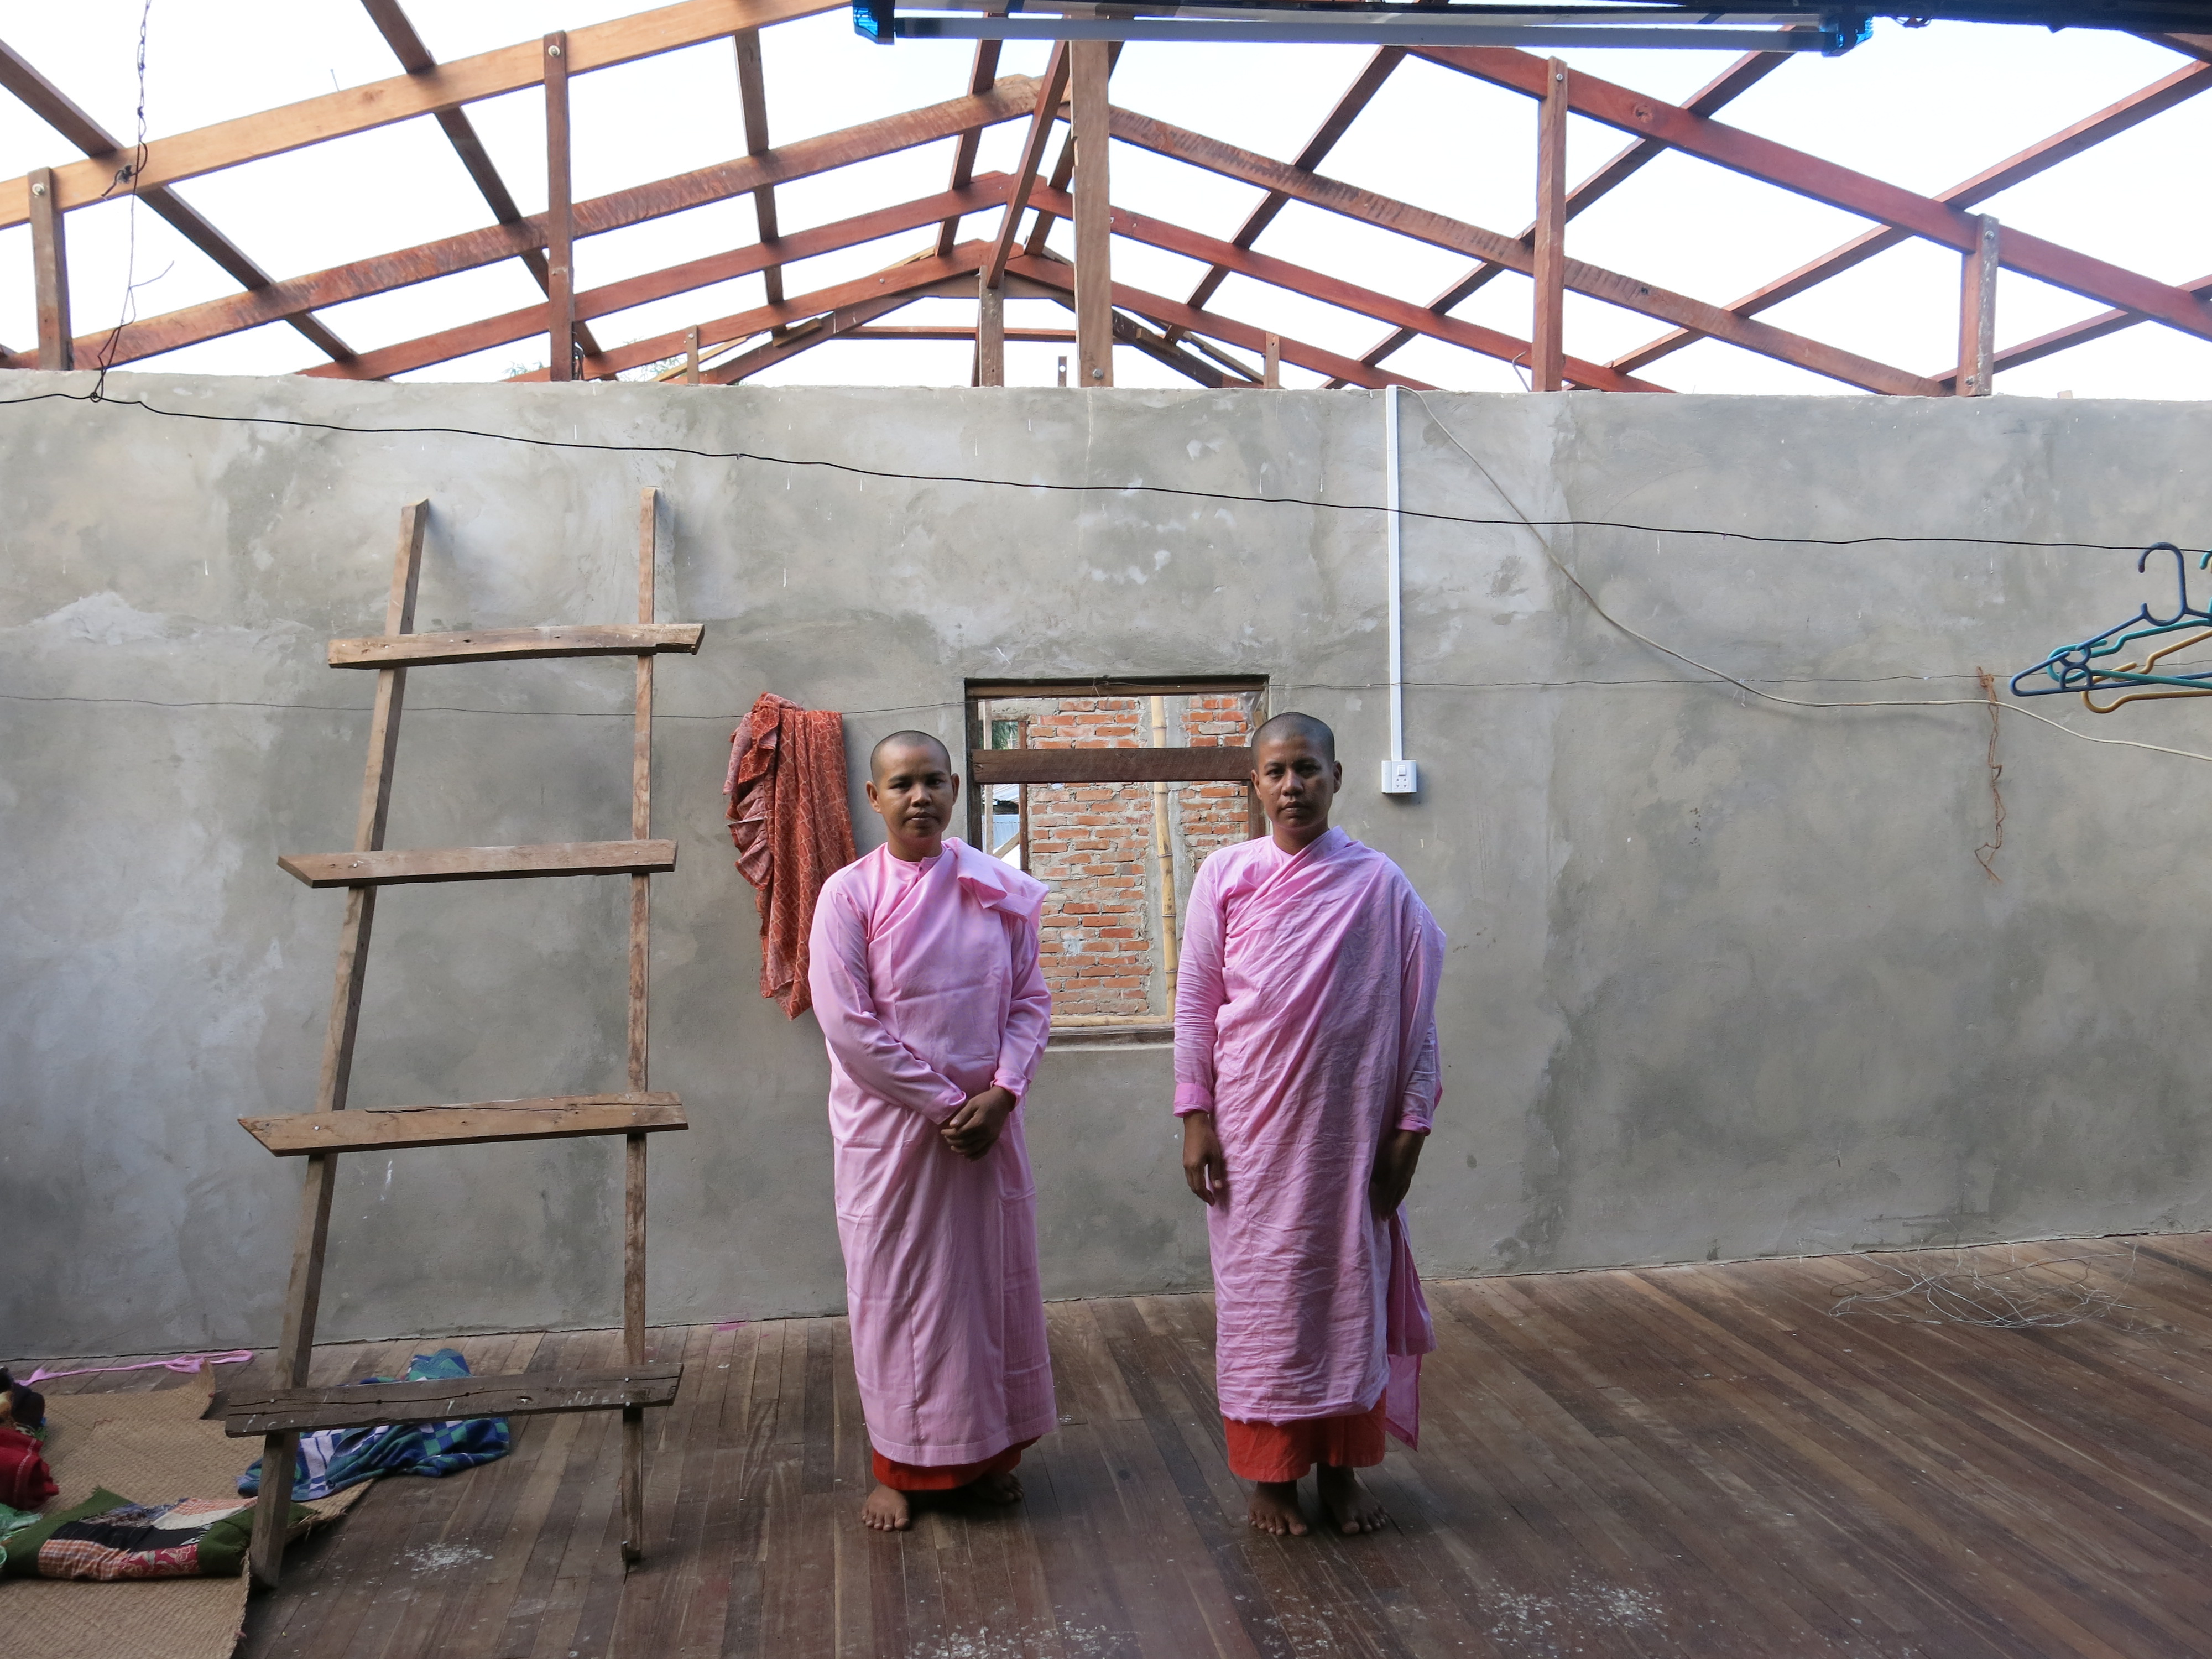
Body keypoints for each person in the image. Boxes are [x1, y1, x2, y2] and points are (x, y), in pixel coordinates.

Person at [1174, 712, 1445, 1537]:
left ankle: (1340, 1472)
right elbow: (1197, 1001)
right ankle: (1271, 1477)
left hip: (1348, 1136)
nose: (1293, 786)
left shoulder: (1379, 885)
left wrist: (1410, 1127)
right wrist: (1195, 1114)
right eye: (1276, 772)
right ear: (1254, 784)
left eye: (1308, 769)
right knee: (1264, 1298)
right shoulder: (1226, 874)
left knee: (1346, 1292)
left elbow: (1419, 1015)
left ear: (1337, 777)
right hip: (1253, 1130)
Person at [806, 730, 1058, 1532]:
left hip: (987, 1132)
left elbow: (1030, 1002)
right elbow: (848, 1025)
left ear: (955, 789)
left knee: (985, 1295)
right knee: (897, 1299)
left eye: (934, 782)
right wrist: (948, 1104)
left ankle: (985, 1457)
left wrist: (1004, 1093)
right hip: (894, 1137)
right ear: (874, 797)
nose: (920, 797)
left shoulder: (996, 888)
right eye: (902, 784)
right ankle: (899, 1468)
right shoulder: (848, 895)